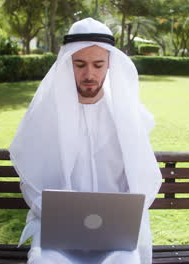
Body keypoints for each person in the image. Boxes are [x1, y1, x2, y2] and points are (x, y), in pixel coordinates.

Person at [9, 18, 162, 264]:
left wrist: (121, 217)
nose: (89, 74)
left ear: (109, 64)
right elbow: (33, 183)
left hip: (116, 234)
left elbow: (143, 182)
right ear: (67, 63)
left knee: (126, 260)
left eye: (98, 64)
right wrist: (55, 213)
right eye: (79, 64)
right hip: (56, 233)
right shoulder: (47, 115)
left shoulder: (126, 117)